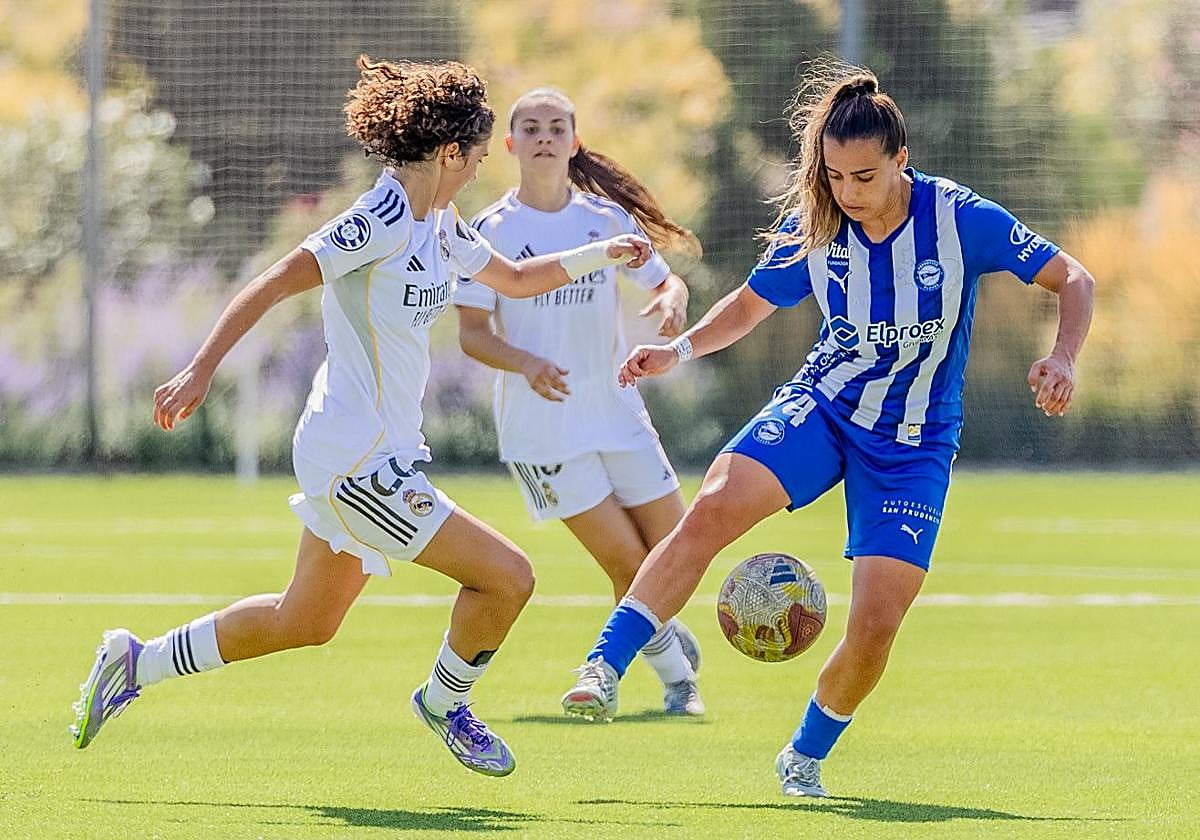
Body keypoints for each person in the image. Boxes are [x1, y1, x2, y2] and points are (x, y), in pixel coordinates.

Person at [69, 55, 652, 778]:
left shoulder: (441, 224)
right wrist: (199, 369)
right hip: (355, 458)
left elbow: (517, 279)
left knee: (303, 621)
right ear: (449, 153)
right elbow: (274, 281)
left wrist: (603, 251)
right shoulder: (375, 220)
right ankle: (445, 703)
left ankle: (135, 662)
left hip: (377, 454)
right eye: (474, 156)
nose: (477, 169)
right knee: (508, 577)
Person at [559, 64, 1095, 797]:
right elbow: (750, 306)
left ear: (901, 160)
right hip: (824, 406)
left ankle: (804, 754)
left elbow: (1075, 278)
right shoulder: (817, 221)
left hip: (912, 445)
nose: (848, 192)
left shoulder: (958, 217)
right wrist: (677, 351)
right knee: (713, 505)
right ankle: (604, 665)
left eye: (865, 176)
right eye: (836, 176)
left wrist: (1062, 356)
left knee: (877, 623)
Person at [453, 87, 704, 716]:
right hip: (544, 430)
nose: (544, 136)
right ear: (509, 144)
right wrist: (527, 363)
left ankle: (659, 630)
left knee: (676, 550)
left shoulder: (605, 219)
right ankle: (677, 680)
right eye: (531, 127)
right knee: (627, 565)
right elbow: (473, 336)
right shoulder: (490, 232)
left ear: (574, 142)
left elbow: (663, 276)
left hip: (618, 411)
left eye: (556, 126)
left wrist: (673, 298)